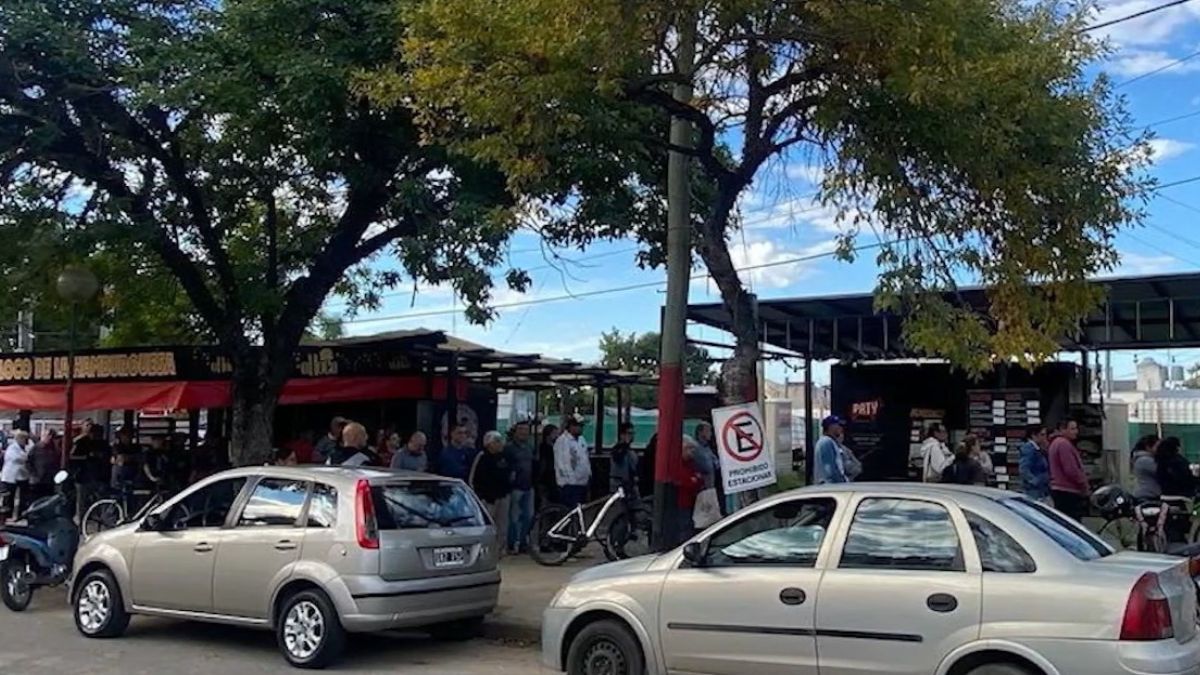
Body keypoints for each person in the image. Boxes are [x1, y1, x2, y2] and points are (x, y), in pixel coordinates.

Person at [470, 431, 514, 555]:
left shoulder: (504, 456)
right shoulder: (482, 456)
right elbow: (473, 479)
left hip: (503, 496)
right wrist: (481, 496)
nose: (501, 444)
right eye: (497, 441)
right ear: (489, 444)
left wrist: (507, 490)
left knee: (503, 525)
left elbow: (510, 473)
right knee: (487, 525)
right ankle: (485, 550)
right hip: (488, 498)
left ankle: (500, 549)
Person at [505, 421, 536, 554]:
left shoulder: (530, 447)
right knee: (514, 518)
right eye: (521, 430)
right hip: (515, 487)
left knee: (528, 516)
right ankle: (512, 543)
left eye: (526, 430)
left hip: (528, 486)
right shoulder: (509, 448)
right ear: (515, 432)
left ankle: (523, 542)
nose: (524, 433)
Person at [1048, 418, 1089, 520]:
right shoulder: (1063, 444)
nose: (1076, 432)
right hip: (1067, 490)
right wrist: (1083, 484)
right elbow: (1071, 469)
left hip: (1059, 489)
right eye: (1072, 429)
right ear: (1063, 429)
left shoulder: (1055, 443)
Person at [554, 415, 592, 508]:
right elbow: (563, 464)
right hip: (569, 485)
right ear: (571, 426)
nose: (581, 428)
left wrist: (589, 475)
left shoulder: (581, 440)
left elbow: (585, 458)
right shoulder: (563, 441)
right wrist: (571, 481)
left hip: (582, 483)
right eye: (579, 426)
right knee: (570, 512)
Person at [2, 430, 33, 519]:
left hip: (23, 475)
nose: (26, 441)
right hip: (11, 476)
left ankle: (21, 514)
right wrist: (26, 457)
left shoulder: (27, 447)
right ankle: (7, 516)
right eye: (25, 439)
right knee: (9, 497)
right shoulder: (12, 448)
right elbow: (17, 458)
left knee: (23, 497)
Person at [1019, 425, 1052, 504]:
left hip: (1041, 490)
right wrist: (1035, 481)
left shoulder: (1039, 450)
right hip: (1034, 491)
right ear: (1034, 435)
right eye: (1042, 435)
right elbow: (1024, 469)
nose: (1045, 437)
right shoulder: (1029, 449)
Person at [29, 428, 62, 503]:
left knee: (48, 500)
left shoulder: (55, 449)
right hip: (38, 479)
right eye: (47, 435)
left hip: (50, 480)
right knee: (36, 500)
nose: (49, 438)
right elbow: (29, 461)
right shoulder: (36, 448)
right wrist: (33, 474)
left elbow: (58, 462)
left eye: (51, 436)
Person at [814, 416, 849, 484]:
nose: (841, 428)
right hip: (829, 486)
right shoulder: (826, 442)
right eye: (838, 425)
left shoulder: (830, 442)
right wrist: (841, 481)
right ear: (831, 427)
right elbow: (829, 469)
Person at [1129, 434, 1163, 502]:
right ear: (1148, 447)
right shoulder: (1144, 460)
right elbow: (1162, 471)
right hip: (1147, 495)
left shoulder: (1142, 459)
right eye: (1158, 447)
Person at [537, 424, 561, 505]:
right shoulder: (544, 448)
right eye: (555, 433)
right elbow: (543, 464)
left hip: (554, 478)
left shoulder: (555, 447)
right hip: (547, 478)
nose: (557, 436)